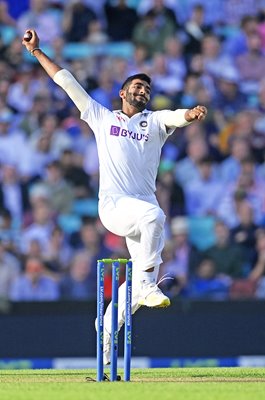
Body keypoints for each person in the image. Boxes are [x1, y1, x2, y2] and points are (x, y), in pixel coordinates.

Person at [22, 29, 207, 365]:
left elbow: (174, 116)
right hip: (114, 206)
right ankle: (149, 284)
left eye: (147, 88)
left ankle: (106, 329)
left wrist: (189, 115)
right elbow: (67, 83)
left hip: (141, 204)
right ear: (123, 92)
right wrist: (37, 52)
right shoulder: (102, 117)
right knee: (155, 222)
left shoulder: (154, 123)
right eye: (137, 86)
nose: (143, 90)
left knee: (137, 284)